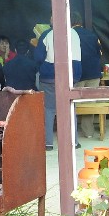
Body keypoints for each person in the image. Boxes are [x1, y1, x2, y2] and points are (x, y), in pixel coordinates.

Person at [34, 18, 82, 150]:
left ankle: (48, 143)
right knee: (70, 108)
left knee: (49, 110)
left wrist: (42, 68)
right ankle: (74, 142)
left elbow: (38, 57)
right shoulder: (75, 33)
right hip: (72, 76)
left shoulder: (47, 35)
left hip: (50, 77)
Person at [72, 11, 103, 139]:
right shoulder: (93, 35)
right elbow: (99, 53)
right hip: (94, 73)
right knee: (90, 103)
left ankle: (72, 132)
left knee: (73, 102)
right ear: (80, 22)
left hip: (77, 73)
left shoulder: (69, 36)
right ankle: (88, 132)